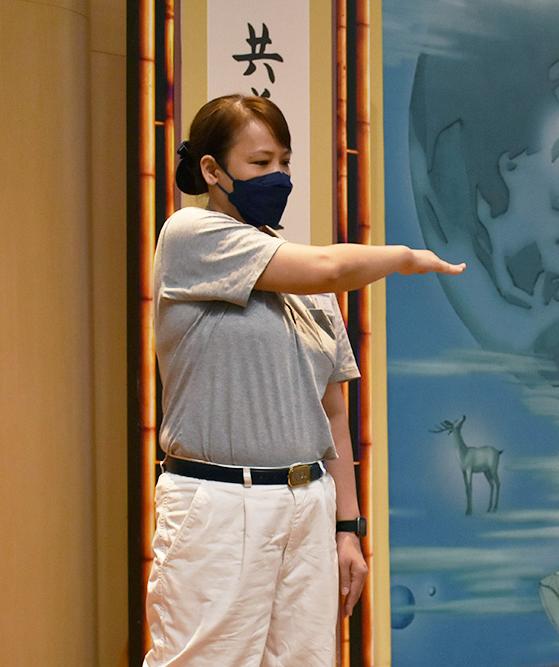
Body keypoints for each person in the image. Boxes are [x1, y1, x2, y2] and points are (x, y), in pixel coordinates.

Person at [145, 93, 465, 666]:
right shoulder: (191, 234)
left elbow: (333, 412)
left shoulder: (301, 277)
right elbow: (331, 267)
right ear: (212, 170)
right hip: (220, 503)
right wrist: (403, 257)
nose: (279, 176)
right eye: (260, 162)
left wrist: (348, 526)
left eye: (285, 162)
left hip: (307, 502)